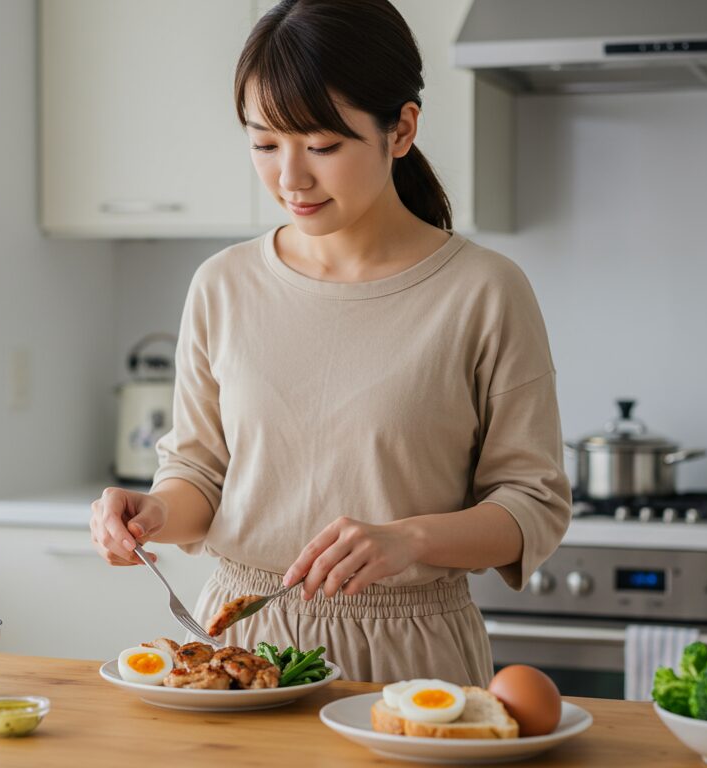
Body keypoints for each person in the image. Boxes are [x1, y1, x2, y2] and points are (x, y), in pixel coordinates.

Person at [90, 0, 570, 686]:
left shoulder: (484, 292)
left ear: (400, 129)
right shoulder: (222, 284)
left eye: (321, 145)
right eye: (264, 143)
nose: (290, 178)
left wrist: (408, 540)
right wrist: (155, 512)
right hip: (236, 648)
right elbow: (200, 472)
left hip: (408, 654)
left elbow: (533, 503)